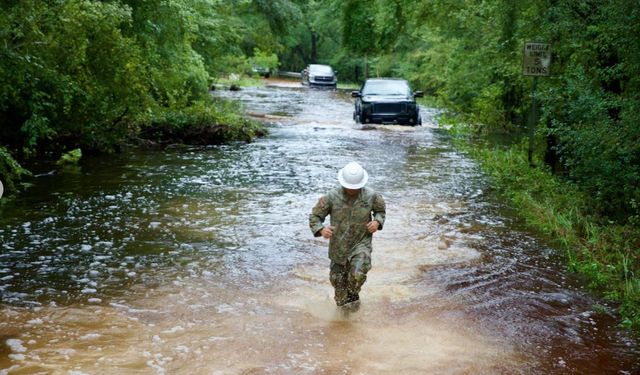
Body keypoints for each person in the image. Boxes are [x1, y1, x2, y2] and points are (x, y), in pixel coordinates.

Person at [309, 161, 386, 310]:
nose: (352, 190)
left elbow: (380, 211)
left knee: (357, 276)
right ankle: (346, 321)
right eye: (349, 187)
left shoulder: (372, 196)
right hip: (338, 247)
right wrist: (321, 230)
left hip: (361, 243)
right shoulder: (330, 197)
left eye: (356, 188)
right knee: (339, 291)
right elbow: (315, 216)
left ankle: (354, 296)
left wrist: (377, 221)